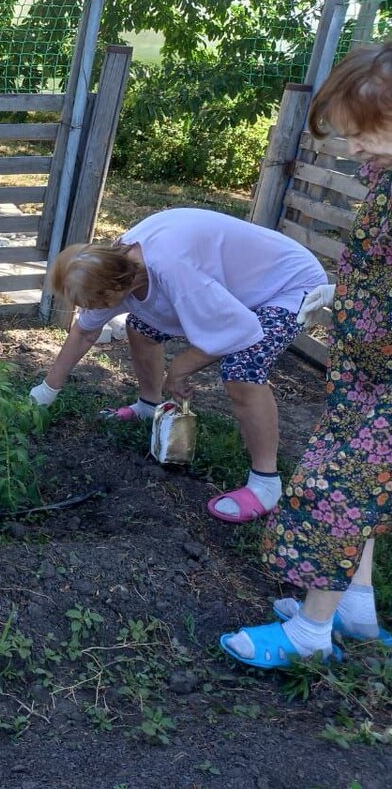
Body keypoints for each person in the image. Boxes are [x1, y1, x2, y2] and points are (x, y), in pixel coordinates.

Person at [221, 41, 392, 668]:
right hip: (366, 362)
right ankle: (354, 608)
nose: (353, 151)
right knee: (365, 490)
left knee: (335, 488)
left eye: (365, 134)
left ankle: (310, 638)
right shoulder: (388, 173)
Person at [29, 208, 329, 523]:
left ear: (113, 289)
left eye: (91, 304)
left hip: (290, 285)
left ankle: (266, 483)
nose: (87, 311)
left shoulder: (172, 270)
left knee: (243, 370)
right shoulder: (117, 264)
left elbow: (239, 331)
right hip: (237, 284)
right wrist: (46, 391)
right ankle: (148, 406)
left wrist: (181, 368)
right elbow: (85, 332)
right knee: (141, 326)